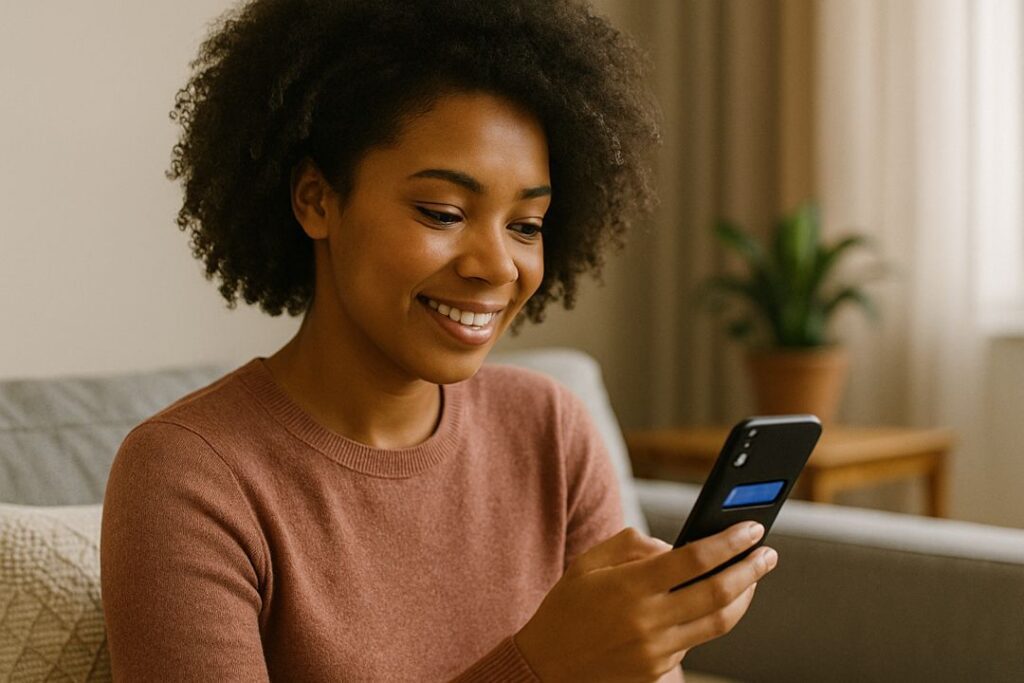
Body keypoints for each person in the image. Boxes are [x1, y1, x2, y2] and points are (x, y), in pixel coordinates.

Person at [100, 0, 778, 680]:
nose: (497, 265)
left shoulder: (552, 430)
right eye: (444, 212)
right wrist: (539, 666)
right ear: (316, 199)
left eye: (526, 224)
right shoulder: (191, 475)